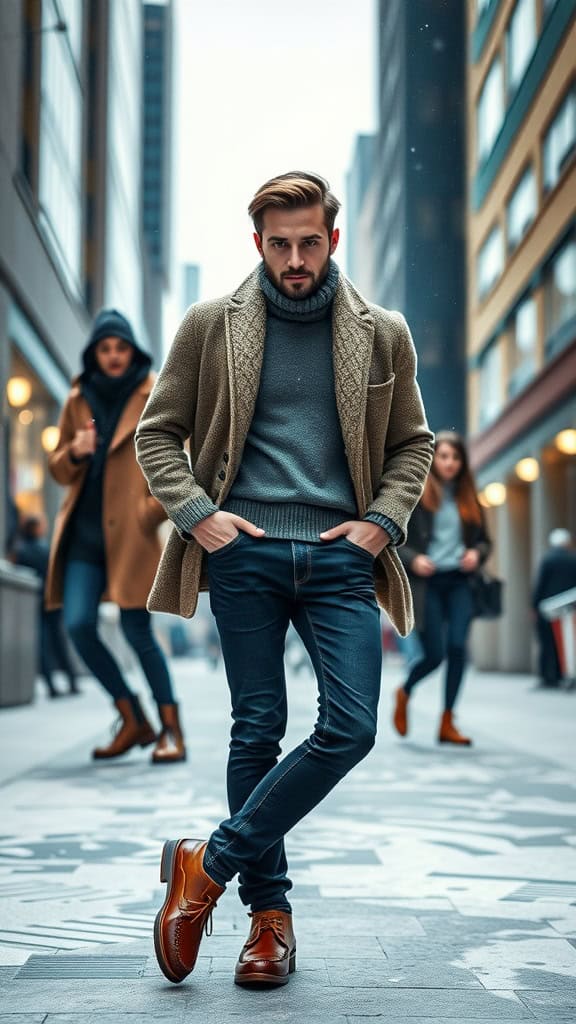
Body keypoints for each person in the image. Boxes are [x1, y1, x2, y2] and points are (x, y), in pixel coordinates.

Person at [135, 171, 434, 987]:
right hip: (246, 552)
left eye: (309, 243)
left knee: (352, 726)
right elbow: (156, 435)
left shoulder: (383, 332)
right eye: (279, 244)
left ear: (333, 240)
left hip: (342, 556)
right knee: (255, 727)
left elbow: (414, 442)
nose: (295, 259)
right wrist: (200, 515)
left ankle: (208, 864)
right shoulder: (210, 325)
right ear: (257, 242)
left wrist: (382, 522)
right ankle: (270, 924)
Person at [45, 310, 186, 763]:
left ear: (132, 351)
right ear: (95, 353)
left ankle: (171, 730)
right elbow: (57, 469)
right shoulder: (76, 397)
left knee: (137, 631)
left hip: (131, 536)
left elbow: (177, 464)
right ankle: (131, 718)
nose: (112, 356)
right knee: (78, 625)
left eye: (120, 348)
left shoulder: (154, 393)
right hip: (84, 535)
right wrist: (75, 451)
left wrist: (149, 515)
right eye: (105, 349)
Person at [393, 430, 492, 746]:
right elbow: (396, 540)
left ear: (462, 462)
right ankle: (405, 691)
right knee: (434, 654)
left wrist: (476, 553)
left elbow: (485, 541)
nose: (449, 463)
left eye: (455, 457)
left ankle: (448, 721)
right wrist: (415, 559)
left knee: (458, 648)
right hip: (428, 584)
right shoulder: (419, 496)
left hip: (460, 582)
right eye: (444, 456)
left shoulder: (470, 499)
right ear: (435, 459)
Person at [11, 514, 80, 698]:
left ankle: (51, 685)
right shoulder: (44, 549)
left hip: (34, 603)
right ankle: (72, 680)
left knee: (42, 644)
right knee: (59, 643)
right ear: (36, 529)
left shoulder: (20, 550)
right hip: (51, 602)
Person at [532, 528, 576, 688]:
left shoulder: (548, 559)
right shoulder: (573, 559)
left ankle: (548, 677)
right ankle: (564, 673)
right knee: (566, 642)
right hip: (569, 609)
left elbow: (540, 584)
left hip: (548, 607)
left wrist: (534, 605)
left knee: (547, 643)